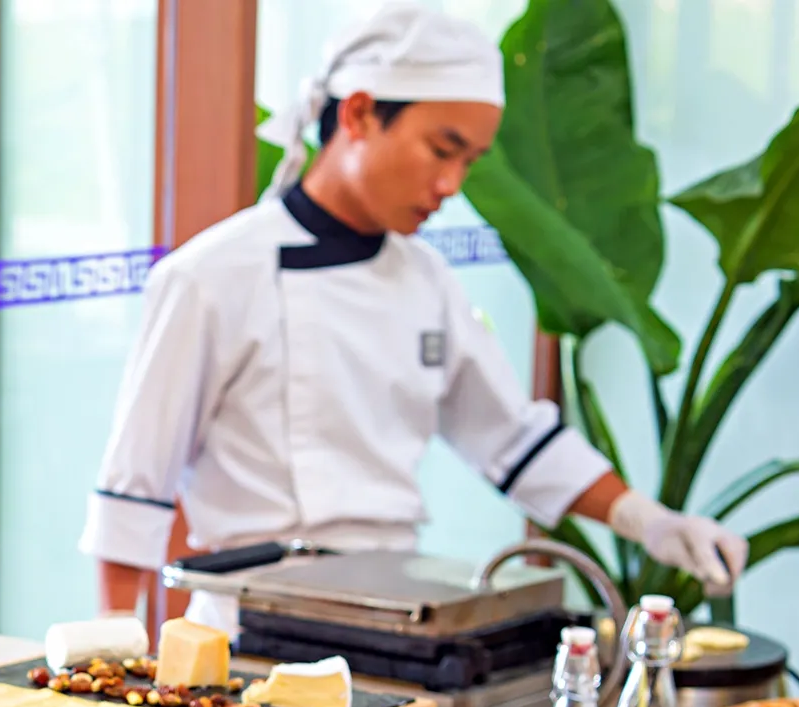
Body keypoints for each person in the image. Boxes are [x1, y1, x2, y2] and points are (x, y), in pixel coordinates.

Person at [81, 2, 746, 636]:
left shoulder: (427, 280)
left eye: (469, 162)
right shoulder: (210, 276)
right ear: (360, 114)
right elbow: (136, 485)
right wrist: (114, 635)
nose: (452, 185)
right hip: (249, 626)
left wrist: (649, 521)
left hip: (394, 619)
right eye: (441, 149)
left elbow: (513, 439)